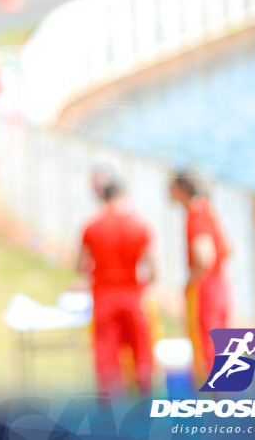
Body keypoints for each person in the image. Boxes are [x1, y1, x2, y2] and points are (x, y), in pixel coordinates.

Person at [78, 170, 155, 397]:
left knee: (106, 357)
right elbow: (152, 269)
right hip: (132, 296)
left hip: (104, 297)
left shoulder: (92, 226)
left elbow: (80, 264)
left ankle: (110, 411)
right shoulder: (139, 226)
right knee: (140, 352)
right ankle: (145, 403)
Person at [169, 171, 231, 387]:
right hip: (220, 285)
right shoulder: (208, 208)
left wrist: (192, 280)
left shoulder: (196, 214)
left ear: (180, 189)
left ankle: (214, 406)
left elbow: (205, 256)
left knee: (207, 349)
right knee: (222, 345)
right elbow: (228, 247)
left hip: (206, 288)